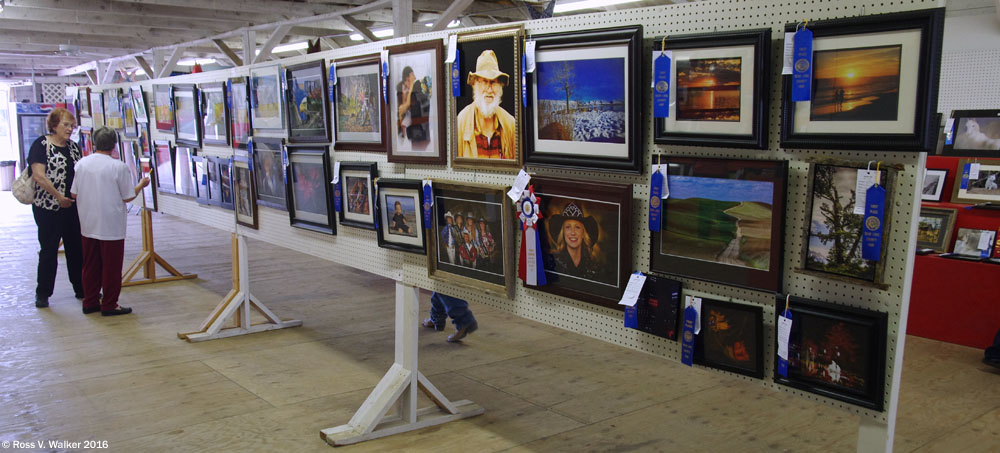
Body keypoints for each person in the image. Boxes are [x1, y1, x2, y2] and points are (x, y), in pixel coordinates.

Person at [70, 127, 148, 316]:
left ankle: (90, 301)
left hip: (88, 222)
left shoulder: (81, 164)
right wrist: (141, 184)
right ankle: (109, 303)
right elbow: (128, 196)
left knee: (90, 264)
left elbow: (74, 193)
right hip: (111, 224)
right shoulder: (118, 166)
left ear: (94, 142)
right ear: (114, 145)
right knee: (111, 266)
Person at [28, 108, 84, 308]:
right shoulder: (41, 145)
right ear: (53, 126)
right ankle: (43, 293)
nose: (69, 129)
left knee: (76, 248)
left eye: (72, 125)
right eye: (65, 125)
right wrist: (59, 196)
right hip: (48, 208)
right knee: (49, 250)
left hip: (72, 208)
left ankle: (81, 288)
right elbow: (39, 176)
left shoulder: (74, 148)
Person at [456, 50, 516, 159]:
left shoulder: (510, 124)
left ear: (500, 86)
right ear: (474, 84)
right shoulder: (461, 122)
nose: (489, 89)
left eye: (493, 82)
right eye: (484, 81)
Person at [547, 202, 600, 280]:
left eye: (577, 227)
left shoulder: (593, 267)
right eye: (568, 227)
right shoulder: (553, 264)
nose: (572, 232)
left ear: (583, 234)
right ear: (563, 233)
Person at [396, 66, 430, 144]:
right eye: (405, 89)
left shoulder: (414, 108)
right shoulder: (401, 109)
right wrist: (411, 85)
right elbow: (407, 104)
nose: (408, 92)